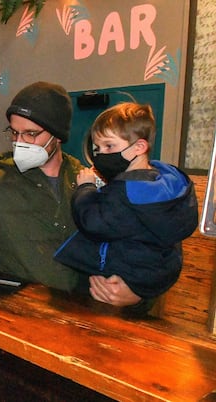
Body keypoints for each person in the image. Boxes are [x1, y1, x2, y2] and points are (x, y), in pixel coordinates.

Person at [0, 81, 142, 305]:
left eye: (31, 134)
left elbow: (143, 245)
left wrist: (136, 290)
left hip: (84, 314)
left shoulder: (90, 183)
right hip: (18, 313)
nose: (20, 142)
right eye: (14, 133)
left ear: (58, 135)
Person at [54, 102, 198, 313]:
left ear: (139, 147)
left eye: (109, 146)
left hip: (121, 277)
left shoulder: (126, 190)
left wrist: (86, 189)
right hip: (153, 275)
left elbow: (92, 222)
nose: (101, 154)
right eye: (97, 148)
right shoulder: (165, 184)